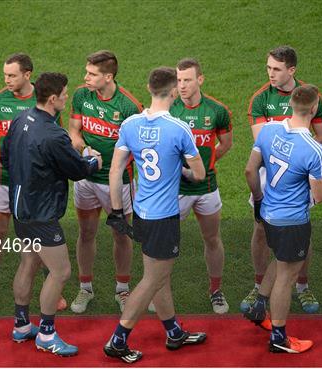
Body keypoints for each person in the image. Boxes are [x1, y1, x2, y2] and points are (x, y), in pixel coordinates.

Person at [103, 67, 206, 364]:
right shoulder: (178, 129)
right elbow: (198, 174)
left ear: (148, 88)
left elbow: (115, 170)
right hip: (164, 217)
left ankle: (173, 331)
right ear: (173, 91)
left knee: (158, 277)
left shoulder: (131, 124)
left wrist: (117, 211)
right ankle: (118, 339)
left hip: (141, 213)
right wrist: (184, 169)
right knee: (152, 280)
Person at [1, 72, 102, 356]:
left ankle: (21, 326)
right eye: (65, 94)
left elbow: (5, 156)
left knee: (29, 263)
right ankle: (46, 334)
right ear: (53, 98)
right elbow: (78, 170)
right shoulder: (54, 134)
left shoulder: (21, 119)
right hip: (41, 213)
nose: (68, 97)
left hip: (20, 208)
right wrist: (93, 161)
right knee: (61, 271)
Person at [0, 53, 66, 312]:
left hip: (35, 186)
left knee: (40, 239)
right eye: (5, 75)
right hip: (3, 180)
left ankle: (51, 288)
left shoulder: (45, 101)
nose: (7, 80)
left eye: (12, 75)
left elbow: (56, 137)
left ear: (27, 74)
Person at [242, 45, 322, 314]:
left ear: (291, 70)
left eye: (276, 69)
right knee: (262, 231)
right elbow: (261, 144)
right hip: (268, 174)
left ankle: (302, 286)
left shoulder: (311, 95)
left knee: (301, 233)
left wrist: (302, 155)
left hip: (299, 172)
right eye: (268, 67)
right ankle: (260, 286)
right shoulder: (260, 98)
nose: (270, 73)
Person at [68, 50, 143, 314]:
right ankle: (85, 288)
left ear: (108, 76)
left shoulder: (129, 107)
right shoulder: (81, 95)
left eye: (92, 74)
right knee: (86, 233)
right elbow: (74, 130)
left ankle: (122, 290)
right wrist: (85, 149)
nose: (85, 77)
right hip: (86, 179)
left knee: (121, 235)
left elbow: (139, 148)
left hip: (118, 184)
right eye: (87, 72)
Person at [170, 58, 233, 314]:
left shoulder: (216, 111)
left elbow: (225, 144)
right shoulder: (171, 110)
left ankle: (216, 291)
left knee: (212, 238)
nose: (182, 85)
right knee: (165, 242)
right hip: (176, 191)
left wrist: (203, 167)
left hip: (207, 188)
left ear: (200, 80)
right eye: (178, 80)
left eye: (187, 80)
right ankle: (159, 288)